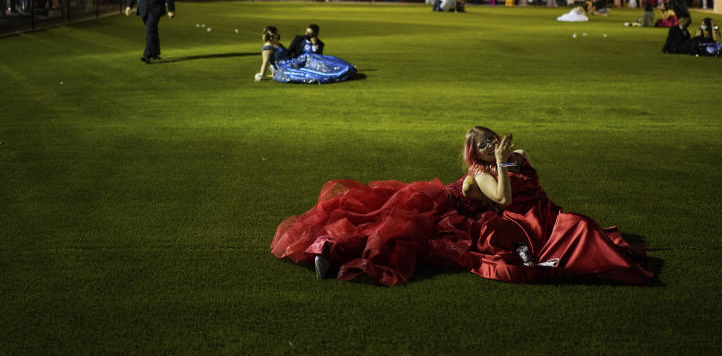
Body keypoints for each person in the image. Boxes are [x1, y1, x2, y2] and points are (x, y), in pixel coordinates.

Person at [271, 126, 653, 286]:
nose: (491, 145)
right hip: (443, 210)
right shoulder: (479, 174)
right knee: (392, 236)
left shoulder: (504, 158)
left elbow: (525, 170)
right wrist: (502, 163)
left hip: (483, 214)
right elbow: (502, 198)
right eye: (484, 144)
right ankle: (329, 248)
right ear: (476, 152)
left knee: (396, 238)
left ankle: (331, 248)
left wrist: (512, 159)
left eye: (491, 139)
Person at [255, 25, 355, 83]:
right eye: (276, 33)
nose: (278, 34)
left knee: (314, 58)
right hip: (286, 66)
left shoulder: (277, 44)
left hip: (292, 62)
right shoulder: (267, 49)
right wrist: (261, 75)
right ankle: (338, 71)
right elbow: (265, 63)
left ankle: (342, 67)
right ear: (273, 35)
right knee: (310, 64)